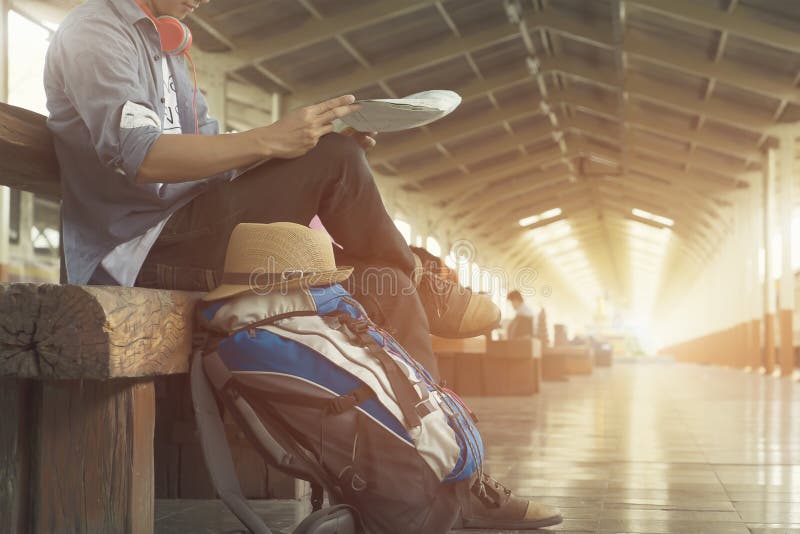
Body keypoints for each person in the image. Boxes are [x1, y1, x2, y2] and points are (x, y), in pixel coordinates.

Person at [43, 0, 562, 529]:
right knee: (336, 160)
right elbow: (144, 155)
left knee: (386, 288)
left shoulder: (170, 48)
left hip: (199, 233)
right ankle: (424, 279)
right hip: (143, 251)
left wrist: (295, 147)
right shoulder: (96, 32)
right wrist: (280, 142)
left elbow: (219, 162)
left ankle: (438, 486)